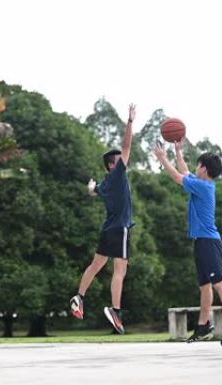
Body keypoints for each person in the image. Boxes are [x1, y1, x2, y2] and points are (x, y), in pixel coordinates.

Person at [153, 139, 222, 346]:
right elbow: (183, 171)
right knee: (205, 286)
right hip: (202, 242)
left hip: (209, 242)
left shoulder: (203, 187)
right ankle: (203, 325)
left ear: (203, 168)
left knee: (219, 283)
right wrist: (178, 151)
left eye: (198, 164)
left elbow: (177, 176)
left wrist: (162, 158)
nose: (195, 167)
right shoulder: (202, 184)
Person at [70, 104, 136, 334]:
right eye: (119, 159)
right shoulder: (117, 175)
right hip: (120, 228)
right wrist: (130, 122)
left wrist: (90, 187)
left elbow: (92, 190)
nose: (123, 160)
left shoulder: (105, 184)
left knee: (96, 264)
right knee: (120, 271)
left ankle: (79, 297)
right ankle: (115, 310)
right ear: (112, 165)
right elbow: (127, 145)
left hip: (107, 229)